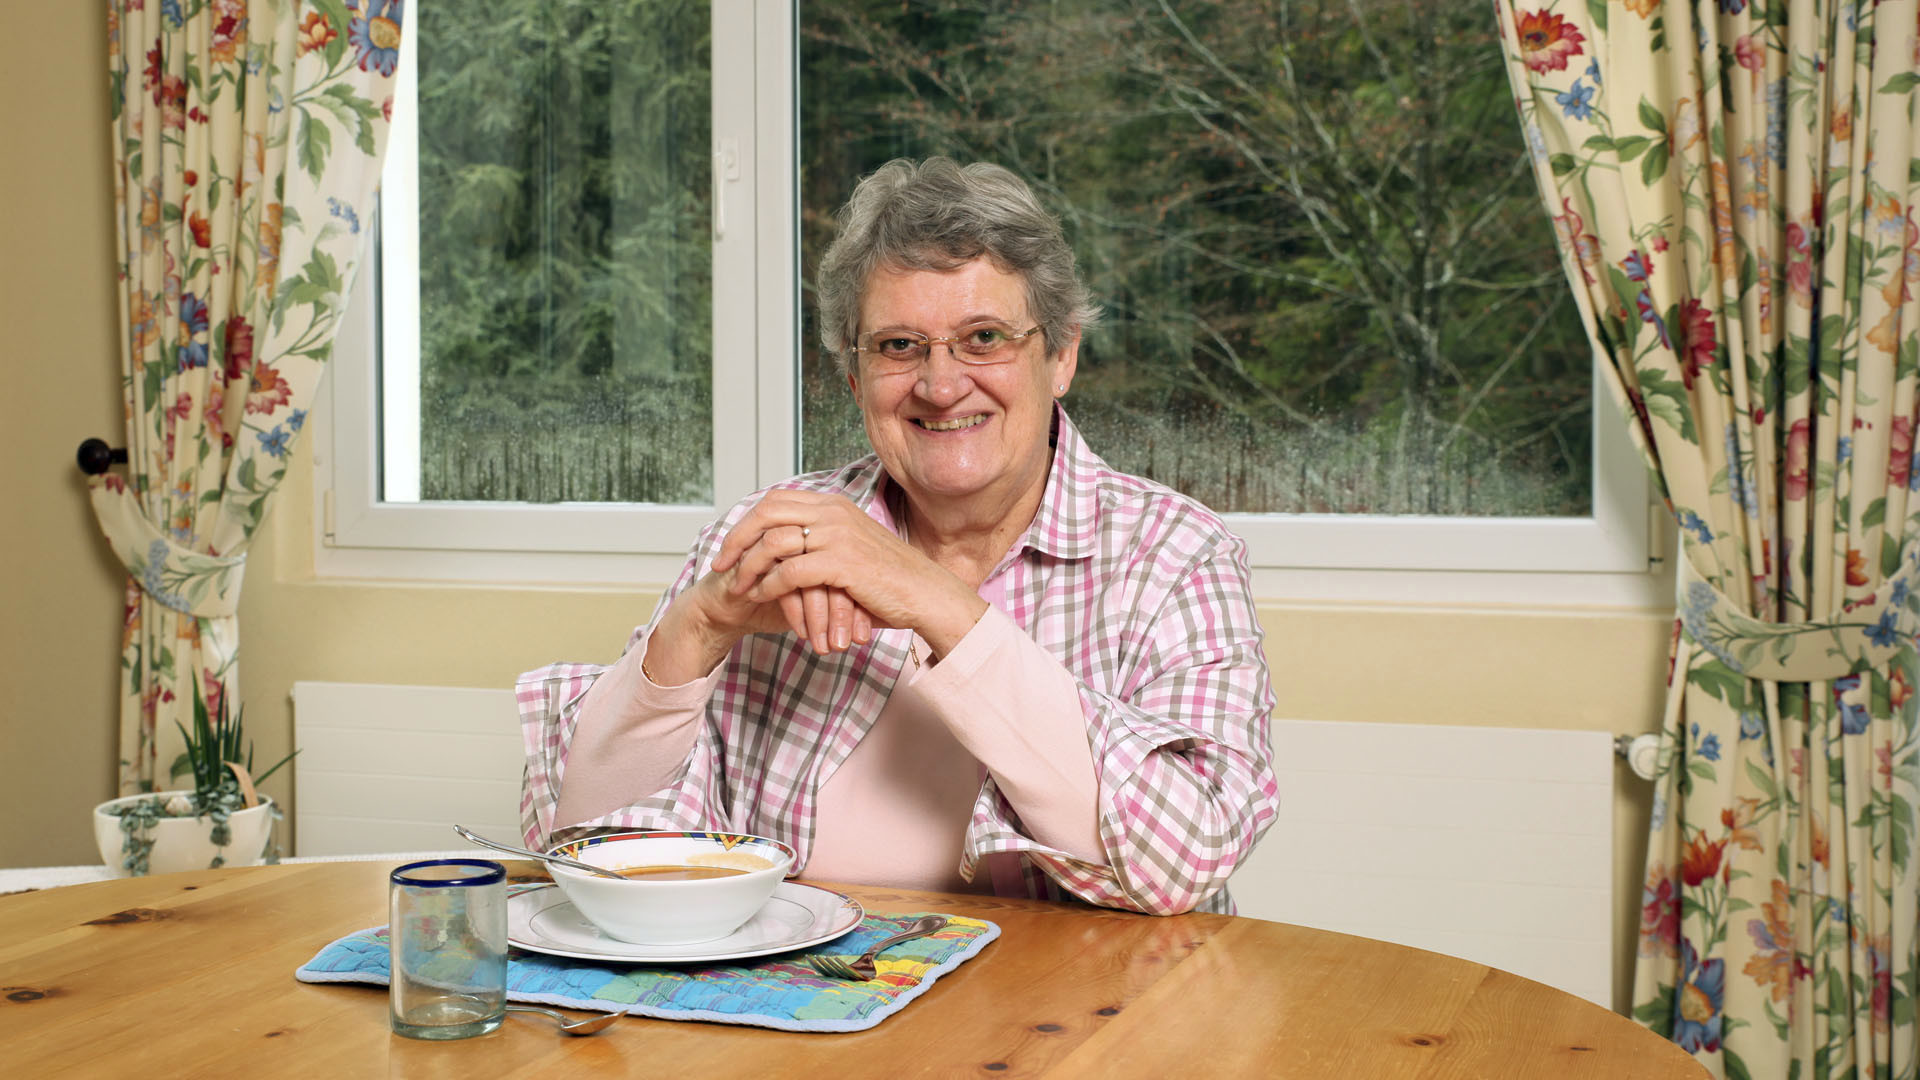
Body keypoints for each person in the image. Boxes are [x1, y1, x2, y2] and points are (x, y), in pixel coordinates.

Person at [518, 158, 1277, 915]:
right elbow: (591, 846)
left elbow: (1186, 857)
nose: (941, 386)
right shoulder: (778, 534)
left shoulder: (1176, 553)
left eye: (984, 337)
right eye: (899, 347)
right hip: (808, 1014)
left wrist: (932, 600)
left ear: (1062, 355)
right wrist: (702, 623)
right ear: (855, 378)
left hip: (1089, 1021)